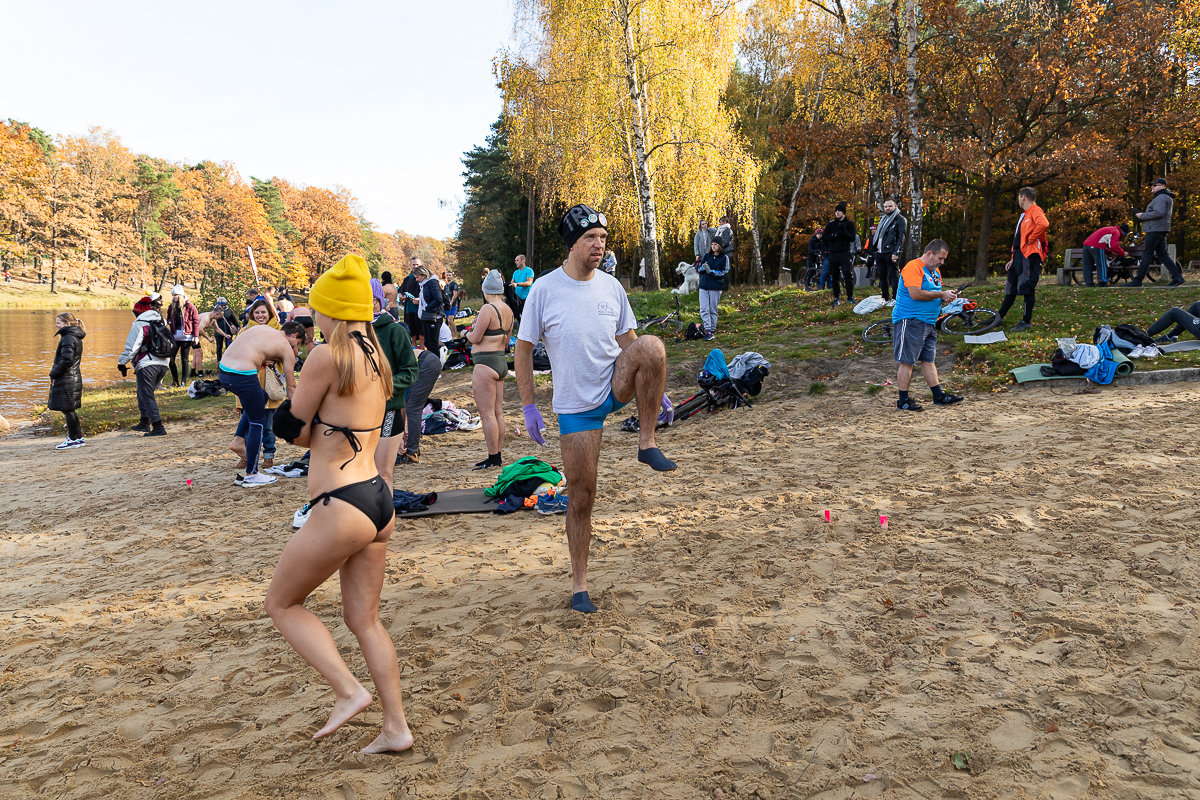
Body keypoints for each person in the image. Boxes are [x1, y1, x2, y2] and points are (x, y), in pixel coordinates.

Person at [262, 254, 413, 755]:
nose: (312, 318)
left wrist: (278, 384)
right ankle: (396, 728)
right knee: (364, 621)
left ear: (330, 310)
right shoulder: (375, 354)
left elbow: (290, 428)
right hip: (377, 500)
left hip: (340, 504)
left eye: (317, 310)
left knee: (281, 604)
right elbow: (326, 434)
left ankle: (348, 692)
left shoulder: (327, 356)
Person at [516, 204, 676, 615]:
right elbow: (524, 348)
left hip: (613, 385)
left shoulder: (611, 287)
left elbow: (629, 339)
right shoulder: (544, 290)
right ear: (572, 242)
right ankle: (579, 584)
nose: (599, 245)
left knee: (654, 346)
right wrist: (529, 405)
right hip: (576, 407)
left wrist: (653, 383)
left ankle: (646, 441)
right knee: (582, 497)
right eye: (591, 238)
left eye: (603, 238)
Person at [218, 321, 302, 487]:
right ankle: (252, 474)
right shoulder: (286, 348)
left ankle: (238, 440)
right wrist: (297, 413)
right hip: (242, 375)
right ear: (295, 335)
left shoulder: (262, 329)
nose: (295, 348)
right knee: (258, 422)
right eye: (297, 344)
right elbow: (291, 387)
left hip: (224, 371)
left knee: (261, 398)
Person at [892, 240, 964, 411]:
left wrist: (947, 296)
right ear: (929, 253)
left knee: (928, 360)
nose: (942, 262)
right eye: (940, 258)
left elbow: (934, 293)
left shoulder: (935, 271)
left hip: (929, 322)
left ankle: (938, 396)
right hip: (910, 320)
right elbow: (915, 293)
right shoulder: (913, 267)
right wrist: (941, 294)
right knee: (907, 361)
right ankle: (903, 400)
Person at [369, 278, 418, 489]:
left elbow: (410, 371)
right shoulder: (349, 332)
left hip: (387, 409)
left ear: (380, 300)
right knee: (363, 474)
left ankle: (385, 522)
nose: (367, 305)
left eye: (371, 300)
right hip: (358, 413)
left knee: (382, 474)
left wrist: (383, 385)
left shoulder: (394, 330)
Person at [467, 270, 514, 470]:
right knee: (498, 413)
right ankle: (498, 454)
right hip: (500, 362)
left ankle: (493, 457)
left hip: (485, 364)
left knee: (487, 414)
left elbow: (475, 338)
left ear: (487, 290)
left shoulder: (488, 309)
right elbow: (505, 341)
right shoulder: (509, 311)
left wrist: (465, 333)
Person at [117, 295, 171, 437]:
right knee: (142, 392)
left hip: (147, 364)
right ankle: (144, 422)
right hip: (163, 363)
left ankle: (158, 427)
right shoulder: (161, 322)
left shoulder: (140, 324)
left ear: (138, 312)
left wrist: (121, 363)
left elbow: (131, 348)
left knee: (146, 395)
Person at [999, 187, 1048, 332]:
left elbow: (1044, 224)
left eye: (1019, 197)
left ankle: (1026, 321)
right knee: (1011, 288)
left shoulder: (1035, 210)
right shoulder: (1024, 215)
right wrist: (1013, 258)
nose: (1018, 200)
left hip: (1029, 256)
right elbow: (1019, 238)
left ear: (1023, 197)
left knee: (1027, 287)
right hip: (1019, 256)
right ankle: (999, 318)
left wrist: (1031, 239)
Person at [1132, 178, 1184, 287]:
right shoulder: (1164, 197)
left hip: (1154, 229)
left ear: (1163, 186)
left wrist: (1142, 215)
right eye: (1152, 185)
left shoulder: (1161, 198)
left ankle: (1137, 281)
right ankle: (1177, 277)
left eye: (1156, 185)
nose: (1152, 186)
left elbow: (1158, 213)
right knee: (1162, 255)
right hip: (1160, 228)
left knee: (1147, 254)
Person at [49, 312, 87, 450]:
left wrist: (54, 373)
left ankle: (73, 439)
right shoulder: (72, 336)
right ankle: (77, 438)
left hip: (67, 378)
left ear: (67, 324)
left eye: (58, 323)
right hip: (71, 376)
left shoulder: (68, 338)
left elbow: (67, 360)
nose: (56, 325)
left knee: (68, 409)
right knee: (69, 409)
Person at [823, 202, 858, 307]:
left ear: (844, 213)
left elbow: (852, 238)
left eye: (839, 211)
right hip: (833, 253)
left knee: (848, 274)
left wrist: (843, 231)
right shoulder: (831, 224)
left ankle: (850, 297)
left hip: (845, 253)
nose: (837, 213)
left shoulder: (849, 224)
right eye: (836, 211)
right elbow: (824, 238)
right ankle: (836, 297)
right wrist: (834, 235)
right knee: (834, 276)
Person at [873, 198, 908, 303]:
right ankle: (885, 297)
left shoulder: (900, 220)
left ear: (895, 206)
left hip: (891, 252)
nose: (887, 208)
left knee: (893, 275)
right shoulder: (883, 219)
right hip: (880, 252)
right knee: (882, 276)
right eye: (886, 206)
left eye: (890, 206)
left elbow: (901, 238)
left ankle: (895, 298)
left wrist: (896, 252)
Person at [166, 285, 200, 387]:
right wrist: (169, 322)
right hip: (174, 336)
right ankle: (175, 381)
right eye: (172, 295)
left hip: (187, 337)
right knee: (170, 358)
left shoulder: (190, 307)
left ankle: (183, 381)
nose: (173, 297)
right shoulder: (171, 307)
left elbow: (195, 322)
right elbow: (168, 318)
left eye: (175, 295)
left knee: (184, 359)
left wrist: (196, 336)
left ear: (180, 295)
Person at [698, 240, 730, 342]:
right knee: (703, 308)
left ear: (720, 246)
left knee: (712, 309)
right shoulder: (707, 256)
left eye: (715, 244)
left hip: (715, 287)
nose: (713, 246)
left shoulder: (724, 258)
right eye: (712, 244)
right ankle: (707, 330)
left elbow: (724, 272)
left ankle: (712, 331)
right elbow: (699, 269)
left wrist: (711, 271)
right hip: (703, 286)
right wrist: (703, 268)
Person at [1081, 223, 1130, 287]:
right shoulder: (1116, 232)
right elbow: (1114, 246)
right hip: (1097, 246)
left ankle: (1089, 283)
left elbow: (1105, 243)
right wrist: (1123, 253)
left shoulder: (1110, 229)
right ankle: (1102, 282)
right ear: (1123, 232)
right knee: (1101, 264)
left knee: (1087, 265)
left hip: (1086, 245)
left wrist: (1110, 253)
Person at [417, 266, 447, 354]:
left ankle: (436, 364)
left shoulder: (432, 282)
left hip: (434, 316)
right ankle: (432, 362)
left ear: (423, 275)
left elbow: (438, 299)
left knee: (433, 343)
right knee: (428, 342)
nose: (417, 280)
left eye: (417, 277)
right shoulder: (425, 284)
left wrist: (427, 308)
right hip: (427, 316)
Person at [400, 258, 423, 341]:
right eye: (413, 264)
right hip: (410, 310)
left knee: (422, 334)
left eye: (417, 264)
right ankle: (414, 351)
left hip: (422, 309)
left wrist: (420, 299)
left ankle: (423, 351)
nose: (415, 266)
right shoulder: (407, 279)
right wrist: (402, 297)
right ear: (410, 266)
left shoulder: (425, 278)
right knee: (412, 334)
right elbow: (401, 293)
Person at [212, 298, 239, 364]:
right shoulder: (214, 312)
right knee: (219, 347)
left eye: (224, 305)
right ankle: (219, 361)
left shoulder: (228, 311)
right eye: (221, 305)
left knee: (229, 347)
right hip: (218, 332)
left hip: (228, 331)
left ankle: (228, 361)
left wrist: (237, 326)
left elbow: (233, 319)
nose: (223, 306)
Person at [444, 272, 461, 336]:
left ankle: (455, 335)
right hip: (446, 305)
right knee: (448, 321)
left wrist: (451, 303)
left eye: (449, 275)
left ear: (452, 276)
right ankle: (451, 335)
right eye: (447, 275)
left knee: (451, 320)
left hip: (453, 305)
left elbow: (455, 295)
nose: (448, 276)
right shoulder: (445, 286)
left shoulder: (454, 284)